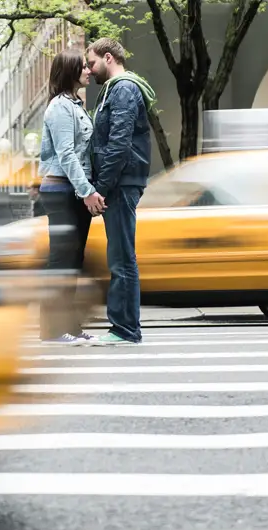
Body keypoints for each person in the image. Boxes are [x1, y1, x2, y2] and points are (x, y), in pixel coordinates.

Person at [85, 38, 157, 345]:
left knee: (122, 258)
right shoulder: (114, 90)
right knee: (120, 256)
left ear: (109, 58)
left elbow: (118, 142)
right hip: (121, 180)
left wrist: (101, 188)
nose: (89, 70)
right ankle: (124, 327)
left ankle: (125, 329)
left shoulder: (124, 89)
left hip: (121, 182)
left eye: (92, 63)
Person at [38, 48, 106, 345]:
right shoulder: (59, 108)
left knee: (73, 262)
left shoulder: (75, 104)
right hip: (62, 190)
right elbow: (66, 154)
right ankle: (52, 330)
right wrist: (87, 191)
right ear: (69, 71)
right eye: (83, 67)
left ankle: (70, 326)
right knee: (61, 263)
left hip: (73, 190)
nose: (89, 70)